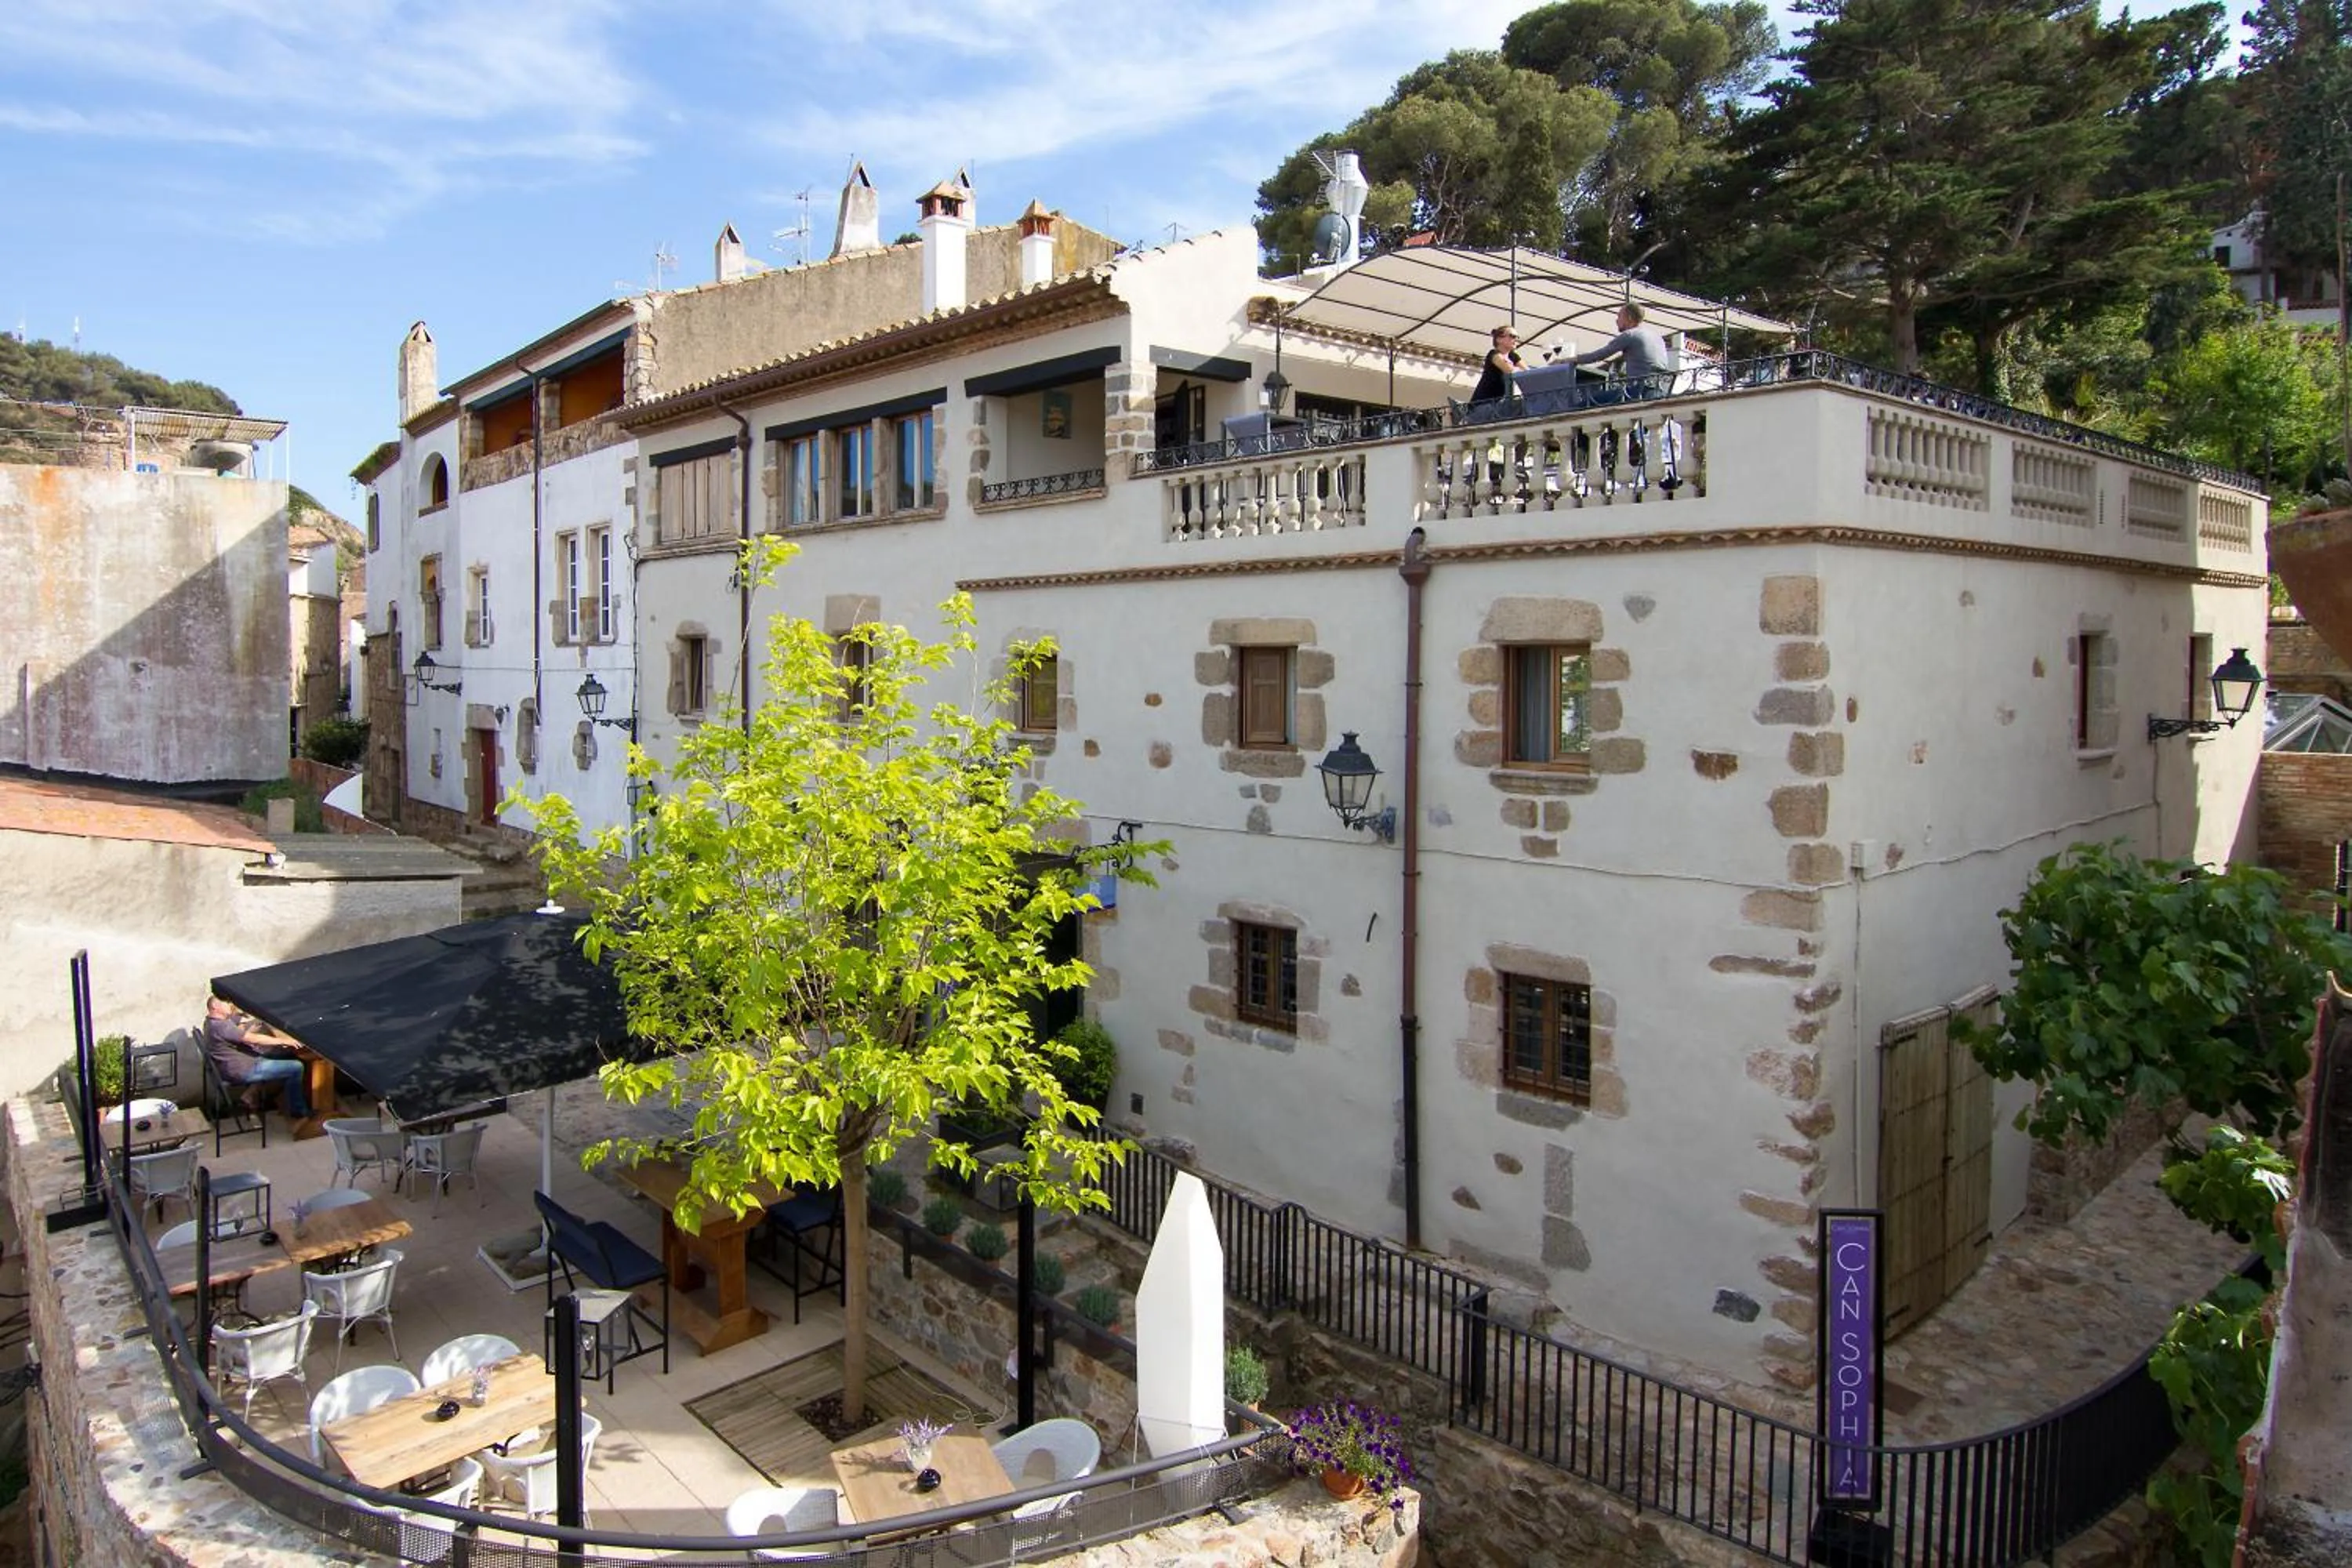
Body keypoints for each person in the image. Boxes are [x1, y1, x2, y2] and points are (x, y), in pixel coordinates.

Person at [202, 996, 310, 1118]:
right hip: (243, 1069)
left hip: (234, 1065)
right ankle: (298, 1111)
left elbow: (238, 1021)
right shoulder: (222, 1027)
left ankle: (250, 1095)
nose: (230, 1004)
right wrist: (284, 1040)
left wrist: (242, 1019)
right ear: (215, 1007)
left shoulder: (212, 1022)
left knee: (278, 1055)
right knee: (296, 1067)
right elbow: (254, 1039)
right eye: (226, 1003)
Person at [1572, 303, 1672, 396]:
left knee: (1586, 403)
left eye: (1619, 316)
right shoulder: (1657, 337)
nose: (1616, 321)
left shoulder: (1630, 335)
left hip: (1638, 391)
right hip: (1660, 391)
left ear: (1629, 318)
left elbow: (1598, 356)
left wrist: (1569, 360)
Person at [1470, 325, 1524, 407]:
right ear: (1499, 339)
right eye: (1512, 336)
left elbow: (1527, 372)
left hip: (1495, 405)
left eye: (1517, 337)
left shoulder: (1513, 356)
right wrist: (1518, 369)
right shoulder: (1494, 354)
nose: (1516, 339)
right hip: (1481, 407)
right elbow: (1510, 370)